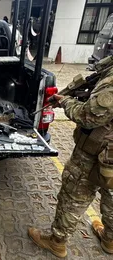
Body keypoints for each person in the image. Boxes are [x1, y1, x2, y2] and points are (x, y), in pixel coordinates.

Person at [28, 57, 113, 258]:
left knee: (75, 194)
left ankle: (57, 241)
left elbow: (89, 117)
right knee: (111, 195)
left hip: (97, 150)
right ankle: (110, 239)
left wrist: (66, 101)